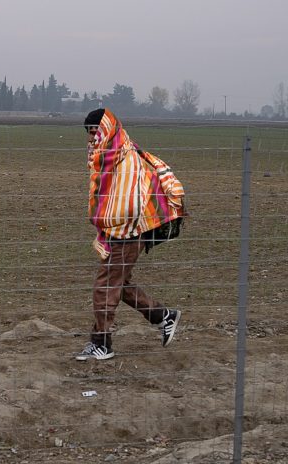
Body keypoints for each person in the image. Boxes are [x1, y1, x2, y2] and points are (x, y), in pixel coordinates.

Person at [75, 108, 186, 361]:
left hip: (128, 233)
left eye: (95, 132)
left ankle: (102, 343)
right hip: (119, 232)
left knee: (104, 286)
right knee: (118, 283)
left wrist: (110, 225)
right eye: (89, 133)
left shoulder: (126, 159)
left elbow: (131, 202)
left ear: (107, 130)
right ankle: (162, 315)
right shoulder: (109, 155)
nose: (91, 138)